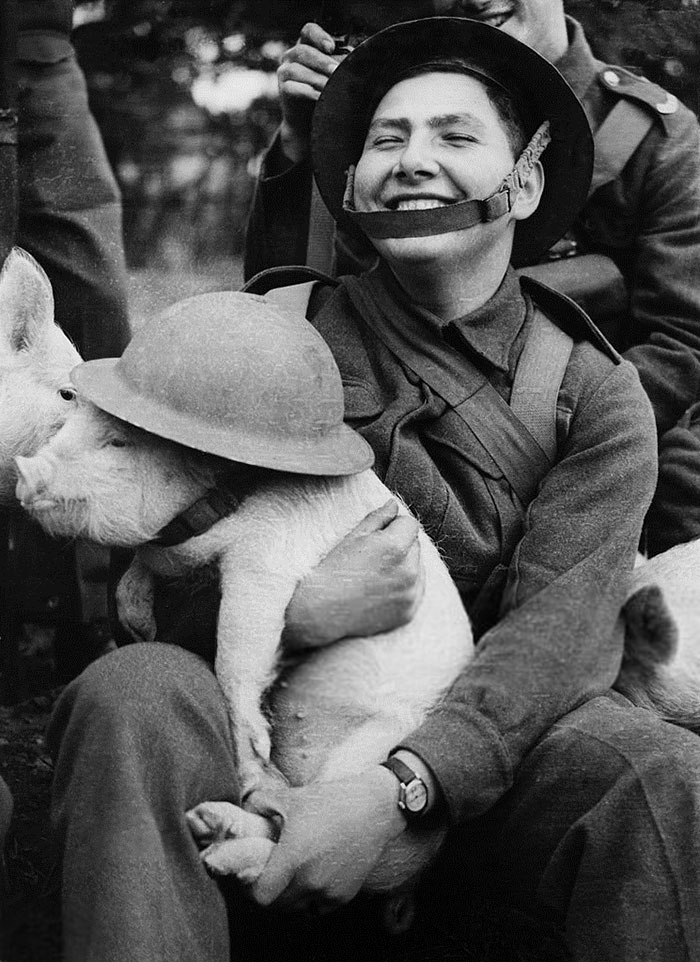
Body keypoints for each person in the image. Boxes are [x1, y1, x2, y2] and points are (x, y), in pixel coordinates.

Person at [46, 16, 700, 962]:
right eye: (386, 140)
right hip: (251, 750)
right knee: (128, 694)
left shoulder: (597, 398)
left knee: (659, 777)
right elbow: (154, 561)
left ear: (525, 181)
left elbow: (555, 637)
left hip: (482, 771)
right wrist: (302, 615)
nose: (413, 160)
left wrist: (402, 789)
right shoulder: (273, 334)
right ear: (348, 185)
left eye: (455, 136)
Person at [243, 0, 700, 557]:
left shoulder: (655, 135)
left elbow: (684, 346)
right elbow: (295, 323)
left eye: (456, 138)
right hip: (389, 463)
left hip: (580, 469)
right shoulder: (394, 115)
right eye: (392, 139)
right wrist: (301, 148)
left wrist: (580, 445)